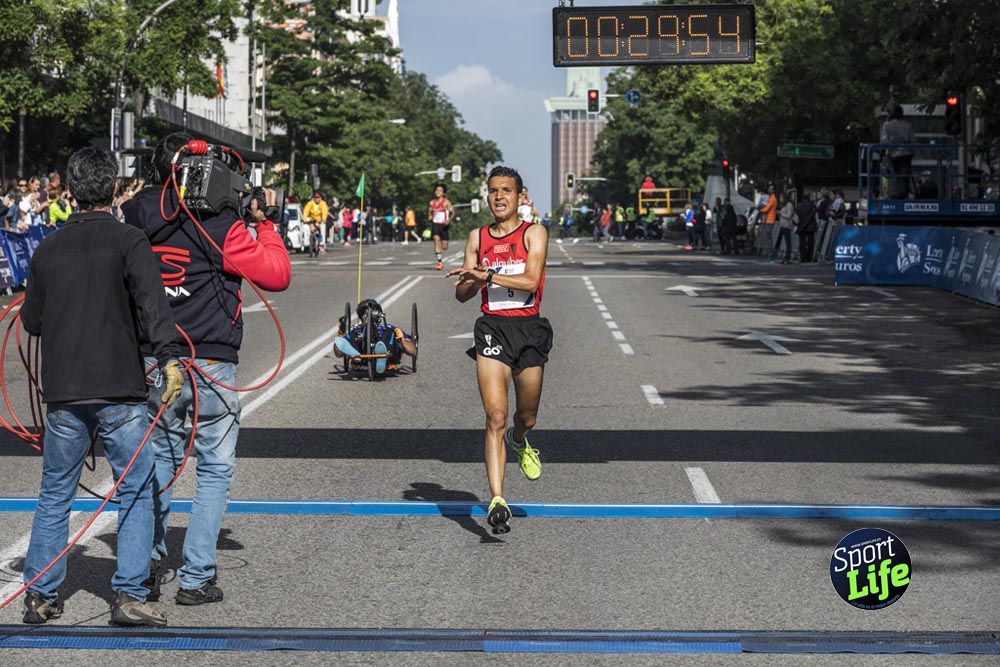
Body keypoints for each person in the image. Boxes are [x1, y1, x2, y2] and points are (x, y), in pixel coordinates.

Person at [123, 132, 291, 607]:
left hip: (154, 358)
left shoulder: (135, 215)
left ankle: (144, 567)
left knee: (159, 461)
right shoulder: (221, 223)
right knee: (214, 467)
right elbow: (277, 274)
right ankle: (196, 578)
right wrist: (266, 223)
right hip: (211, 360)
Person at [20, 147, 184, 627]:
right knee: (136, 489)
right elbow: (154, 307)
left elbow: (31, 321)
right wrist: (170, 359)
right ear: (114, 189)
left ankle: (40, 594)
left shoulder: (47, 248)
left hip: (64, 391)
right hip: (119, 388)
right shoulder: (130, 240)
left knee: (56, 493)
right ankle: (129, 593)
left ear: (71, 192)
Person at [446, 165, 551, 535]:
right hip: (492, 328)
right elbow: (462, 294)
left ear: (520, 196)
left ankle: (519, 441)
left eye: (506, 190)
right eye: (493, 191)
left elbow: (531, 280)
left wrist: (487, 274)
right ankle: (497, 500)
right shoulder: (477, 237)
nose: (499, 197)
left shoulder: (534, 233)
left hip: (529, 329)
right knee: (495, 415)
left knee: (526, 417)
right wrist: (471, 280)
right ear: (487, 196)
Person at [333, 299, 417, 374]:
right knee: (352, 334)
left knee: (389, 332)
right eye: (364, 313)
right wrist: (342, 331)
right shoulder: (356, 329)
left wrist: (402, 340)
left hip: (390, 355)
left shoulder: (389, 328)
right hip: (361, 357)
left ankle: (382, 356)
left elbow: (413, 351)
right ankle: (354, 354)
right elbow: (338, 353)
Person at [880, 105, 914, 198]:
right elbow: (913, 141)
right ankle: (904, 192)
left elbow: (884, 141)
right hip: (907, 154)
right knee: (905, 174)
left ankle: (896, 192)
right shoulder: (908, 125)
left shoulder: (887, 125)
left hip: (894, 154)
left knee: (895, 173)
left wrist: (892, 146)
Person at [429, 183, 454, 270]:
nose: (438, 192)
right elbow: (430, 212)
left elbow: (453, 212)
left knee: (444, 247)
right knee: (436, 239)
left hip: (444, 225)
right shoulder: (432, 202)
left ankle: (441, 245)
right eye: (437, 190)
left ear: (443, 193)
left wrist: (449, 220)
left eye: (440, 190)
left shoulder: (446, 202)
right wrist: (430, 216)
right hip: (436, 224)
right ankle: (439, 262)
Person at [794, 192, 818, 263]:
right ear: (808, 197)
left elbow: (796, 215)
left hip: (801, 226)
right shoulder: (812, 205)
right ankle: (809, 258)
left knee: (802, 243)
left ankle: (803, 258)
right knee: (811, 242)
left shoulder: (798, 205)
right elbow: (815, 212)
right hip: (811, 226)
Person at [775, 194, 796, 264]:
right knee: (786, 241)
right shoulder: (784, 205)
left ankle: (788, 257)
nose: (780, 199)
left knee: (788, 241)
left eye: (781, 197)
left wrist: (780, 213)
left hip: (787, 225)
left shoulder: (789, 204)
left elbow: (789, 215)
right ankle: (786, 256)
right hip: (783, 225)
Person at [757, 186, 777, 256]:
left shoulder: (772, 199)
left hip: (770, 220)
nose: (769, 190)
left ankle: (770, 252)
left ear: (773, 190)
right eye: (769, 189)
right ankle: (769, 252)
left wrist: (759, 209)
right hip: (768, 219)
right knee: (767, 236)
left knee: (768, 237)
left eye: (770, 189)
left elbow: (766, 209)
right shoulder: (770, 198)